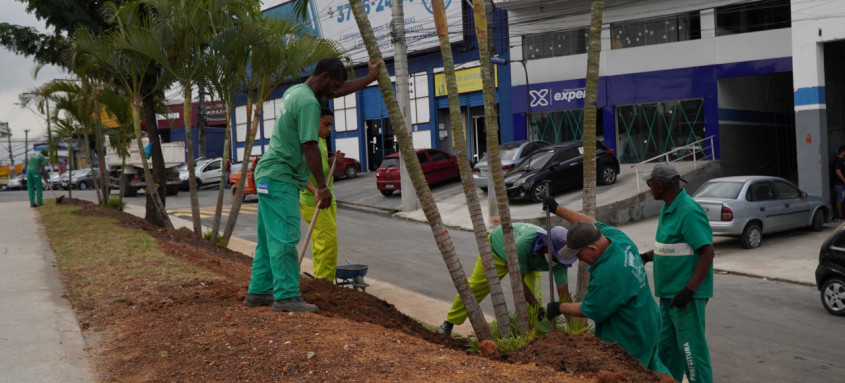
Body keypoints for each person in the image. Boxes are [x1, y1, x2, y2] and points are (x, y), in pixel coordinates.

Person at [244, 58, 382, 313]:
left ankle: (259, 291)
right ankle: (286, 296)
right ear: (325, 77)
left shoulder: (294, 92)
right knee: (285, 238)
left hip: (266, 176)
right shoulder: (308, 103)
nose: (336, 92)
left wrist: (369, 78)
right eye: (335, 85)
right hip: (280, 177)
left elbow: (339, 90)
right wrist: (322, 187)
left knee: (267, 240)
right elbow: (309, 146)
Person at [542, 198, 669, 374]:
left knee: (630, 375)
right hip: (649, 320)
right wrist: (557, 209)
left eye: (579, 254)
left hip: (630, 334)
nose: (578, 259)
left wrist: (559, 307)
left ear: (592, 249)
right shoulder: (616, 238)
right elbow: (588, 222)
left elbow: (590, 308)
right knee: (655, 371)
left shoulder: (608, 274)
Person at [641, 163, 715, 383]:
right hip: (668, 295)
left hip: (685, 297)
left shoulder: (689, 211)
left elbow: (707, 252)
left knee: (692, 354)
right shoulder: (668, 207)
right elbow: (672, 247)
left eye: (650, 184)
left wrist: (689, 290)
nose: (649, 188)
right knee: (667, 353)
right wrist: (646, 256)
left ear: (659, 185)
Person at [438, 223, 572, 336]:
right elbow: (518, 283)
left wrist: (574, 329)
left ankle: (531, 335)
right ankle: (449, 322)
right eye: (556, 257)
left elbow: (564, 293)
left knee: (534, 298)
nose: (558, 261)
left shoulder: (561, 259)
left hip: (529, 264)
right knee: (477, 286)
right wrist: (538, 307)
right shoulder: (523, 245)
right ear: (546, 247)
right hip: (497, 251)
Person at [299, 108, 344, 281]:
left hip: (328, 200)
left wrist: (334, 160)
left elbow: (322, 165)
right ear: (313, 122)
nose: (329, 129)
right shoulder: (307, 143)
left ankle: (321, 280)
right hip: (313, 202)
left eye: (331, 125)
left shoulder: (321, 141)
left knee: (321, 244)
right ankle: (325, 284)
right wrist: (314, 190)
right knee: (328, 244)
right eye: (326, 124)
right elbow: (300, 172)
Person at [833, 146, 845, 219]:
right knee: (840, 198)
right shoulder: (838, 161)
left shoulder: (842, 160)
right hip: (839, 183)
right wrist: (844, 179)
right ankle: (840, 215)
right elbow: (838, 171)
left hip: (841, 183)